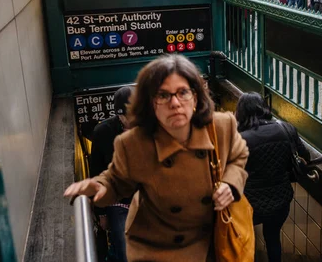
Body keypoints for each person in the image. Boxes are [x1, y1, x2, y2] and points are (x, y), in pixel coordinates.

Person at [64, 55, 250, 261]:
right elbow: (116, 179)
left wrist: (230, 184)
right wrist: (97, 189)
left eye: (183, 92)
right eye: (163, 95)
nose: (175, 103)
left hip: (213, 232)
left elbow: (238, 156)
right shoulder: (133, 141)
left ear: (196, 96)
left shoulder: (221, 126)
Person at [236, 93, 309, 262]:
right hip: (280, 201)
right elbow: (305, 155)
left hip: (249, 206)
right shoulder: (286, 128)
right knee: (273, 238)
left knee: (246, 241)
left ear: (241, 113)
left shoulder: (240, 139)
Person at [89, 86, 134, 262]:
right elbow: (96, 174)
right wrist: (101, 213)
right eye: (127, 115)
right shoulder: (103, 133)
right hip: (118, 204)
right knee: (124, 252)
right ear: (119, 115)